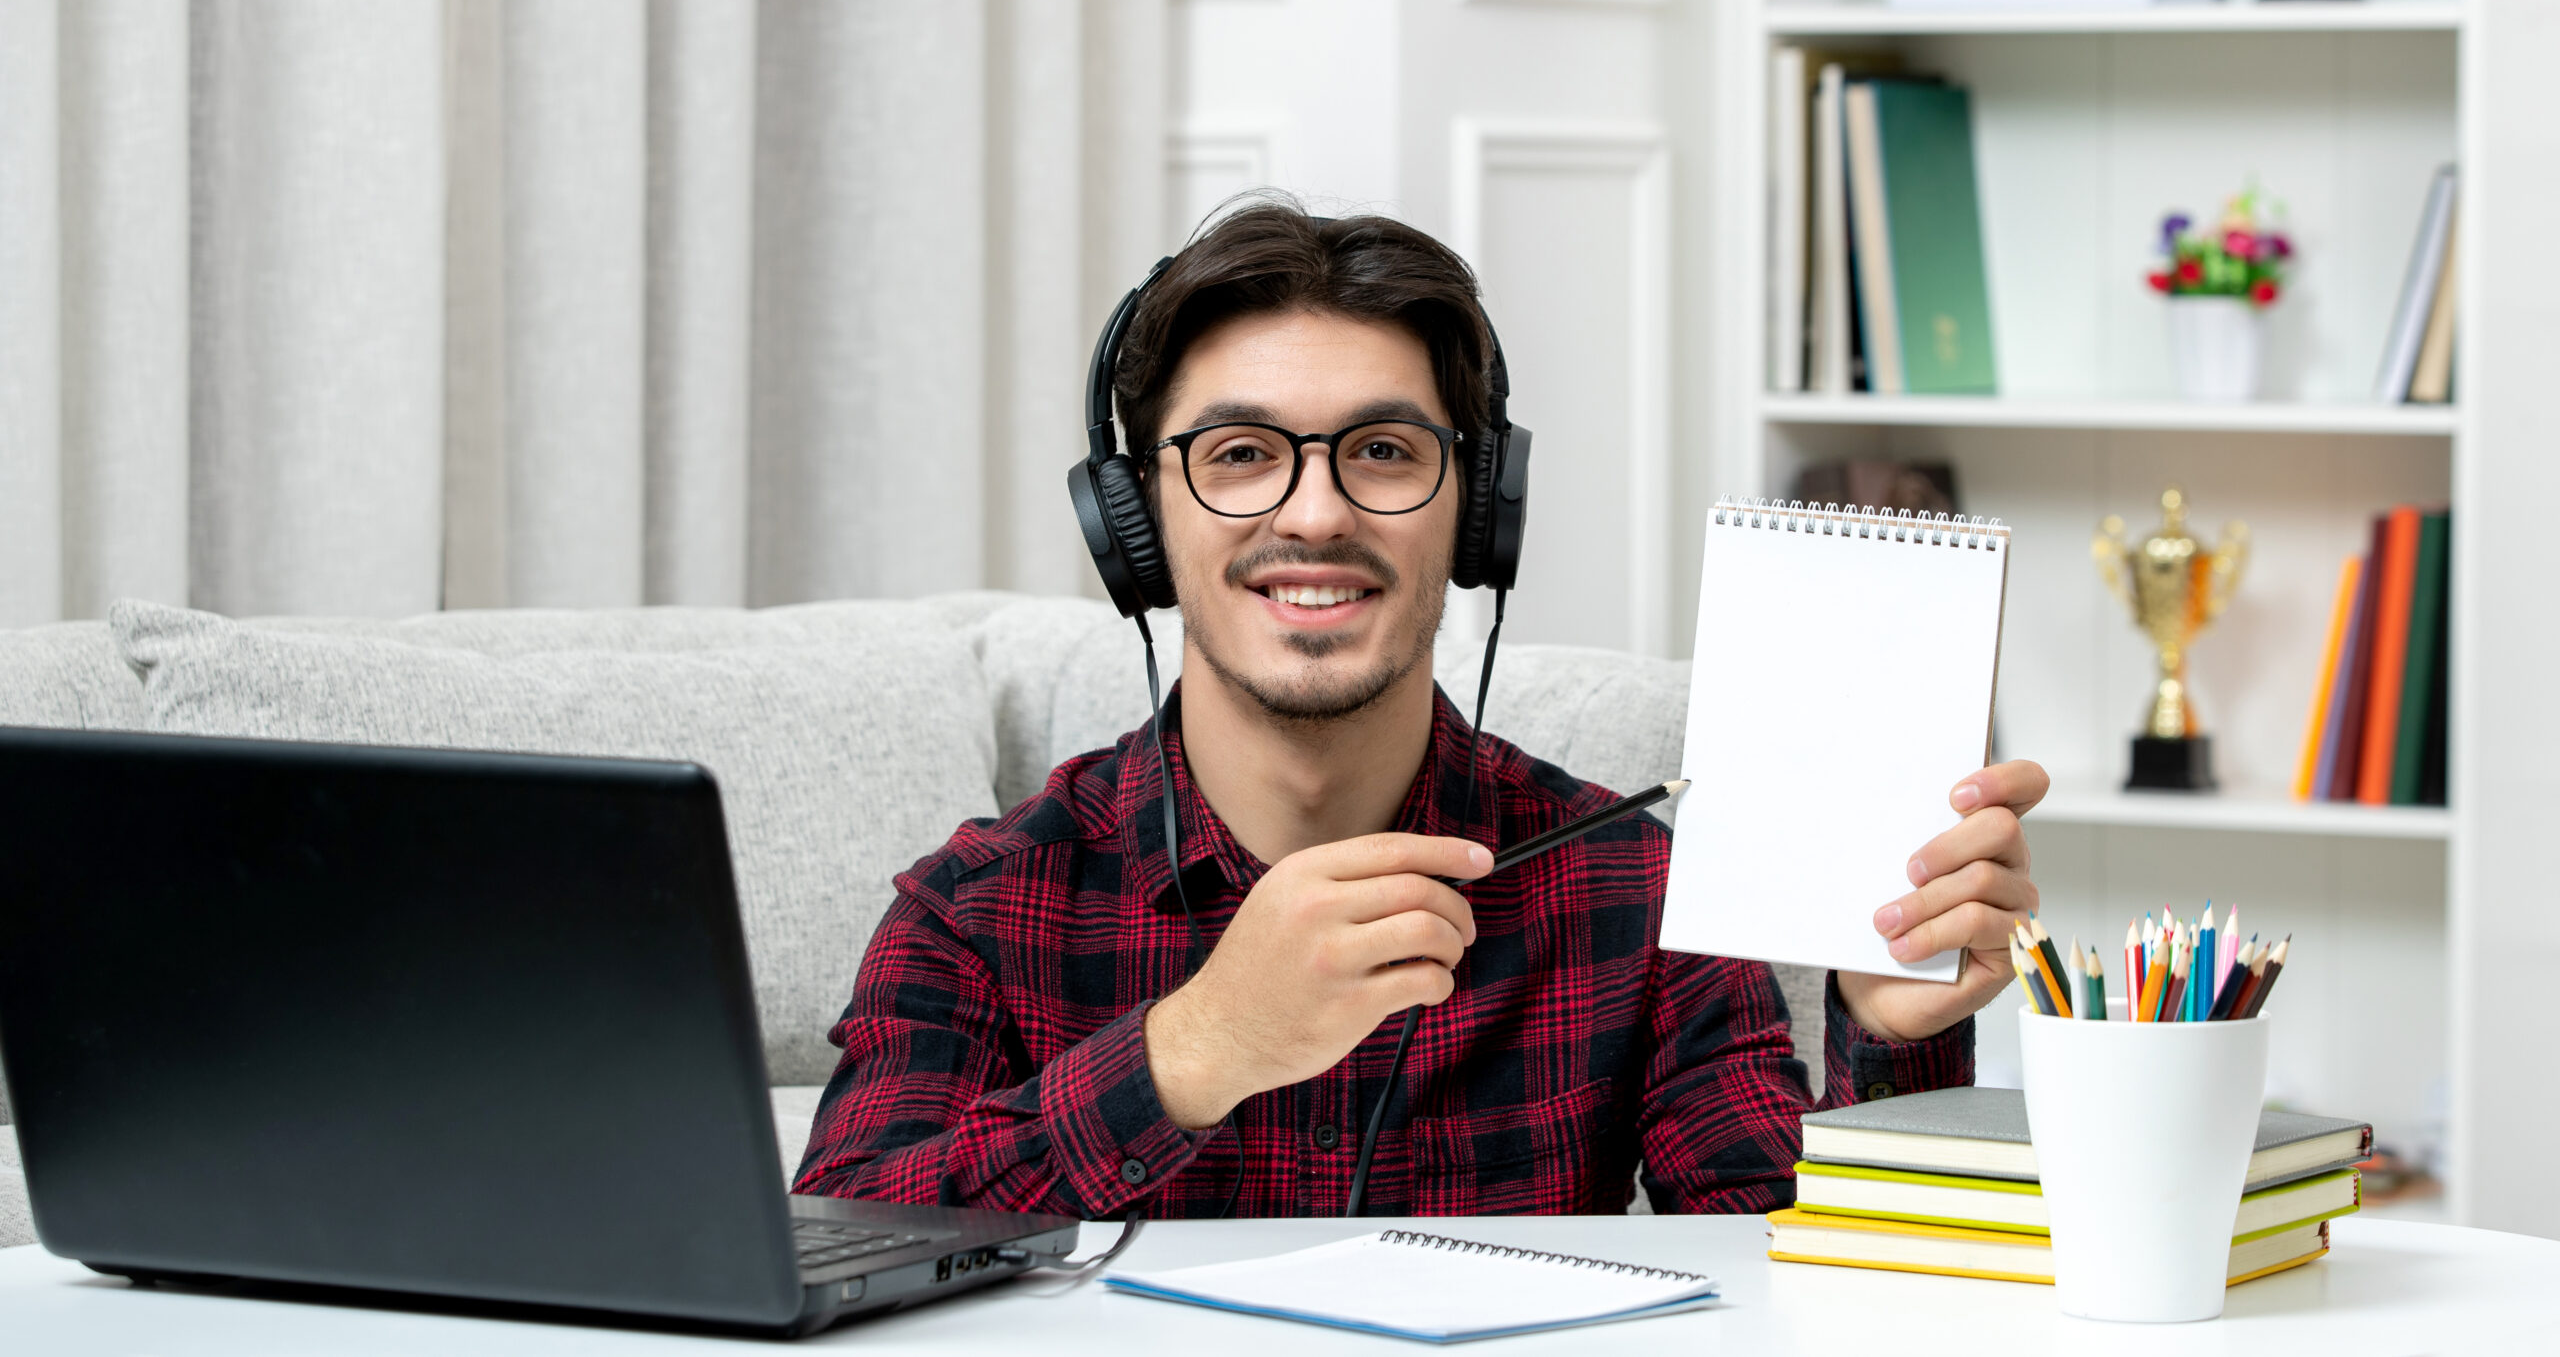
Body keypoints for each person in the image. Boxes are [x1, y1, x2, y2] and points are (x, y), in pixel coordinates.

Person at [794, 199, 2046, 1217]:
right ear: (1133, 524)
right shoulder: (978, 909)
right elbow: (844, 1238)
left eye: (1384, 452)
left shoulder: (1637, 893)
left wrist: (1896, 1040)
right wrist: (1194, 1051)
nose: (1315, 514)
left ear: (1477, 512)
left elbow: (1800, 1292)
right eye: (1239, 455)